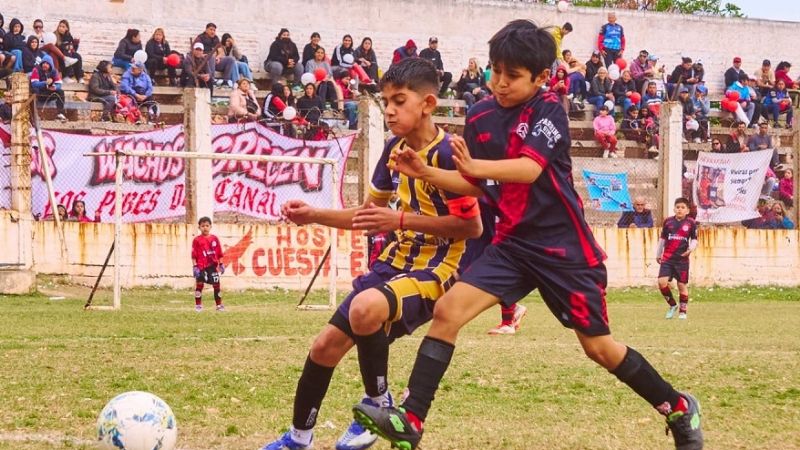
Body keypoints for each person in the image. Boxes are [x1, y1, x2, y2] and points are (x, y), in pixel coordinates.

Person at [354, 20, 703, 450]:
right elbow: (476, 184)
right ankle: (412, 419)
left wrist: (472, 168)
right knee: (448, 312)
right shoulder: (480, 115)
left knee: (599, 349)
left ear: (540, 77)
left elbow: (528, 169)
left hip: (565, 250)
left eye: (512, 76)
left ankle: (679, 408)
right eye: (495, 71)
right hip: (513, 246)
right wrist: (428, 172)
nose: (500, 83)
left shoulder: (548, 110)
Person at [260, 57, 484, 450]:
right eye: (386, 102)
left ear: (428, 104)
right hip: (393, 265)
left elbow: (471, 227)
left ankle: (379, 405)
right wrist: (314, 214)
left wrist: (399, 221)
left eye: (400, 100)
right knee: (324, 347)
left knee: (365, 308)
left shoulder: (450, 154)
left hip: (438, 269)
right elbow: (369, 215)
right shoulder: (392, 150)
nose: (391, 110)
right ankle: (298, 440)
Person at [656, 197, 697, 320]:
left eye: (682, 207)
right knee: (662, 282)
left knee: (681, 285)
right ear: (674, 208)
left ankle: (683, 311)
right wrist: (658, 254)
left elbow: (694, 239)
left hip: (682, 259)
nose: (679, 209)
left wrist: (691, 248)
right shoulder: (668, 222)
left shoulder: (691, 223)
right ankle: (672, 305)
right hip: (668, 257)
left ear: (687, 210)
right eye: (677, 207)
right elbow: (663, 239)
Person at [191, 216, 225, 312]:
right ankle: (198, 305)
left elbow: (219, 253)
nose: (205, 228)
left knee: (217, 285)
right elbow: (194, 255)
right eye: (202, 226)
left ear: (210, 226)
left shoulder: (214, 239)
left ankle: (219, 305)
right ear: (199, 227)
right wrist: (195, 267)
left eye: (207, 225)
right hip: (201, 266)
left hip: (212, 266)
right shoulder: (197, 240)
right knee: (199, 285)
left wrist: (221, 264)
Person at [194, 23, 239, 88]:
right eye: (211, 29)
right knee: (211, 57)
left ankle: (225, 82)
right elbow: (195, 51)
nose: (213, 32)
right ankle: (212, 80)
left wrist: (217, 57)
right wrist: (204, 55)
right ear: (206, 30)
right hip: (203, 61)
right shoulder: (200, 38)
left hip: (214, 61)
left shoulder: (216, 38)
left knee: (231, 59)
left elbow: (221, 52)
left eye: (214, 30)